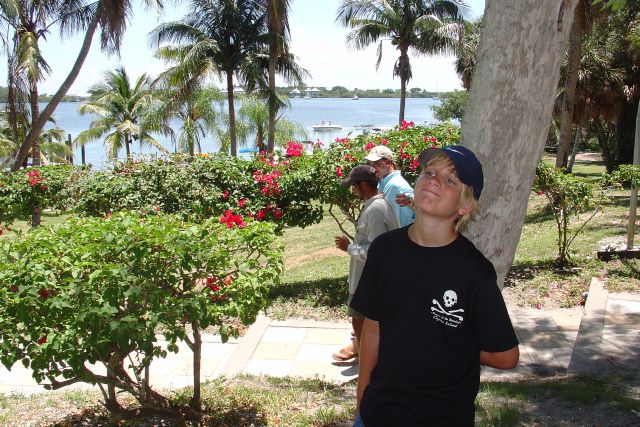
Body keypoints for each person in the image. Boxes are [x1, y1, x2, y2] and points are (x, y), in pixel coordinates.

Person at [350, 145, 520, 426]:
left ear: (465, 206)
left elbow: (507, 356)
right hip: (377, 413)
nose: (434, 180)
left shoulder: (474, 271)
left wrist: (451, 343)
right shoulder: (384, 250)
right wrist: (362, 399)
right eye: (429, 172)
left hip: (443, 416)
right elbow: (372, 329)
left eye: (450, 180)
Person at [333, 165, 400, 362]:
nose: (353, 190)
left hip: (368, 281)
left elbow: (377, 251)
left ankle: (366, 369)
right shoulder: (377, 204)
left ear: (364, 185)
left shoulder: (376, 210)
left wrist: (349, 248)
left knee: (361, 323)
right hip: (368, 279)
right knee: (363, 323)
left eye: (354, 186)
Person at [364, 145, 414, 227]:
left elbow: (420, 206)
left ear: (388, 162)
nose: (373, 167)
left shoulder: (397, 184)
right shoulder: (381, 183)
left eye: (377, 163)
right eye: (371, 164)